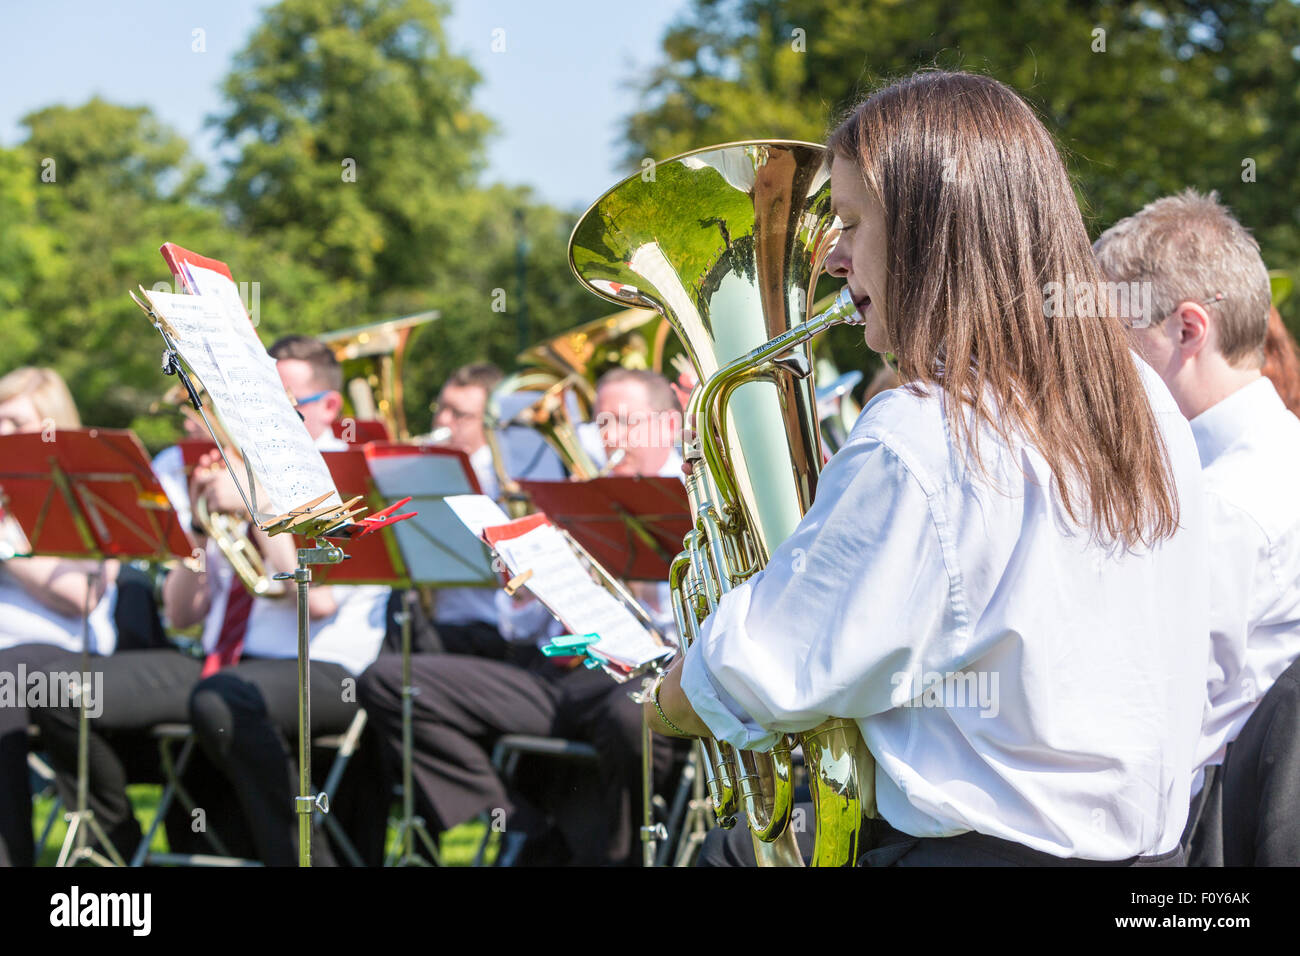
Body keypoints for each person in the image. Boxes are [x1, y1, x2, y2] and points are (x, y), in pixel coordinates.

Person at [650, 70, 1209, 866]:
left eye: (849, 223)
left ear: (927, 233)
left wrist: (664, 702)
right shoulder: (1144, 403)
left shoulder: (927, 431)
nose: (834, 260)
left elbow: (768, 666)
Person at [34, 336, 389, 866]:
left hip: (324, 667)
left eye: (282, 403)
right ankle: (115, 852)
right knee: (58, 690)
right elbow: (182, 614)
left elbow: (314, 600)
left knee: (222, 698)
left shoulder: (345, 472)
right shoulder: (230, 467)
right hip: (221, 665)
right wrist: (199, 533)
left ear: (325, 407)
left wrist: (257, 506)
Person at [358, 367, 685, 865]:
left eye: (626, 422)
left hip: (647, 677)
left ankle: (623, 854)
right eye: (602, 423)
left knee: (633, 717)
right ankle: (520, 826)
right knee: (390, 682)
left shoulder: (691, 496)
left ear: (668, 425)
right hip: (562, 676)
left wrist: (635, 570)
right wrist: (529, 583)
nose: (612, 438)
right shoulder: (581, 495)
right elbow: (519, 630)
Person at [1094, 190, 1300, 864]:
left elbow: (1138, 729)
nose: (1100, 368)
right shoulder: (1272, 461)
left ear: (1187, 329)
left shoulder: (1226, 509)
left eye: (1114, 337)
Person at [0, 368, 120, 866]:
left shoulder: (88, 491)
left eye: (13, 421)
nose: (1, 434)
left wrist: (6, 537)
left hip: (65, 649)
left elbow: (80, 596)